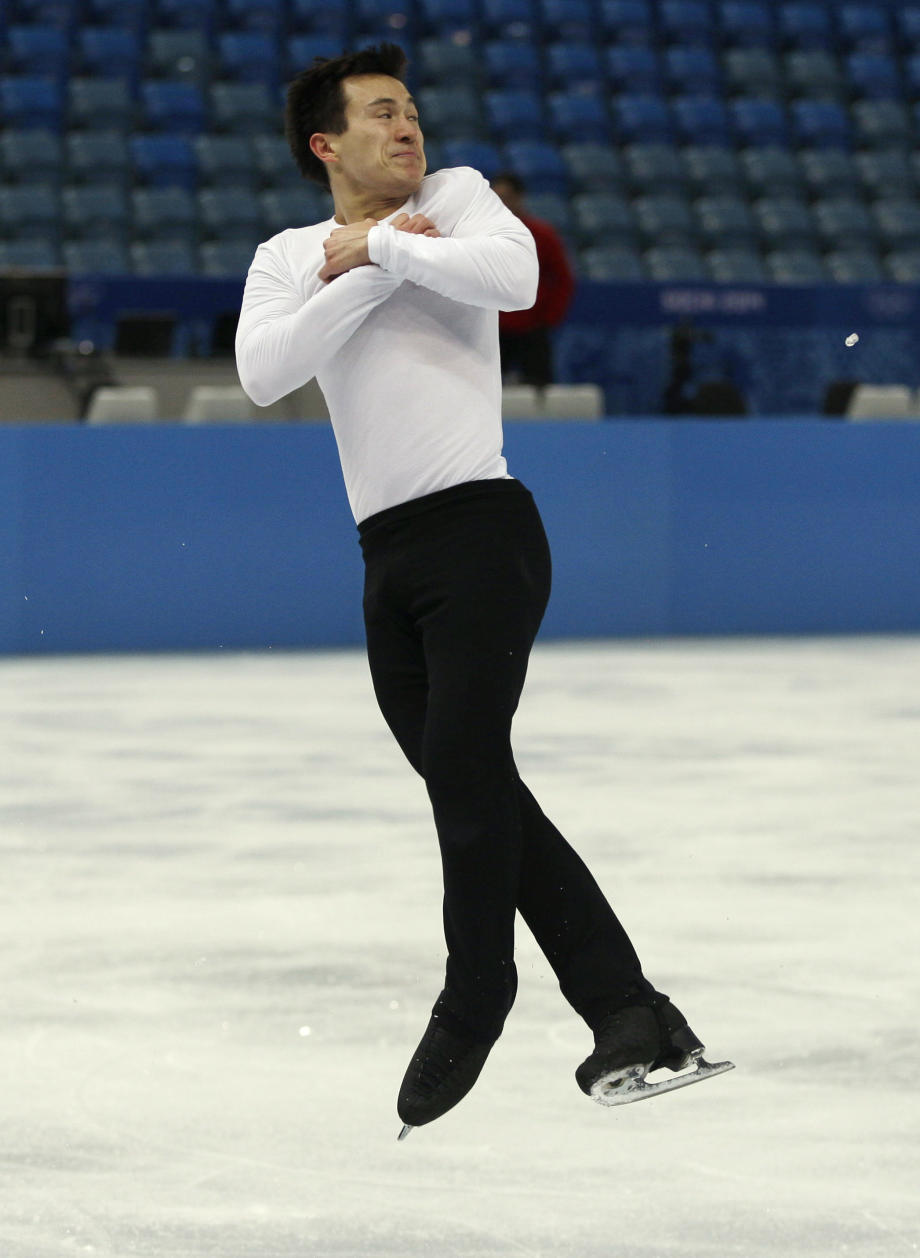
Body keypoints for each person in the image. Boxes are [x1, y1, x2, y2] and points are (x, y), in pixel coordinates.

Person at [235, 43, 729, 1139]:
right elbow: (265, 370)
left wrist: (390, 252)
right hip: (387, 559)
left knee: (464, 767)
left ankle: (478, 996)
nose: (408, 128)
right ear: (327, 144)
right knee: (481, 791)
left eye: (412, 110)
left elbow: (517, 282)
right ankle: (633, 1014)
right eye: (381, 114)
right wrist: (366, 259)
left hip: (483, 533)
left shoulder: (456, 200)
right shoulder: (289, 253)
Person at [491, 172, 575, 388]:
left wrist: (548, 319)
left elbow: (562, 279)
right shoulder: (481, 235)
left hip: (532, 328)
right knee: (487, 388)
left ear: (520, 198)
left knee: (541, 389)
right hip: (493, 327)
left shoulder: (542, 235)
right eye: (496, 197)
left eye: (507, 197)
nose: (502, 203)